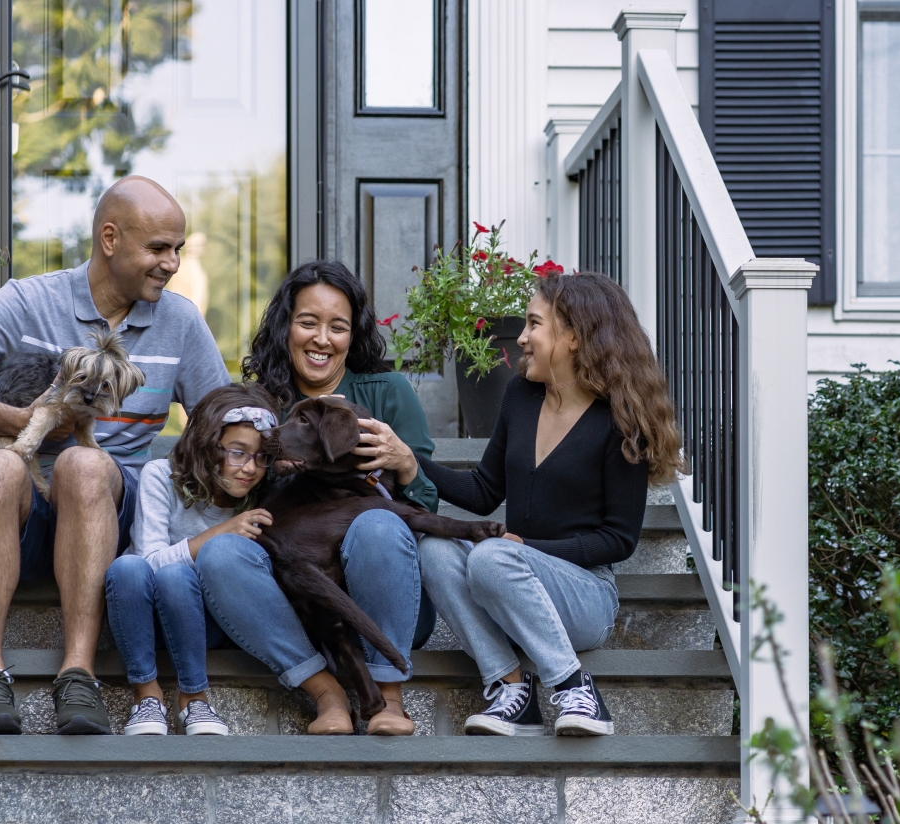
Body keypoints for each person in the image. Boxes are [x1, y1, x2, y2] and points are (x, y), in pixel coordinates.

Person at [0, 176, 231, 735]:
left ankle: (78, 675)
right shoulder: (30, 301)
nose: (171, 263)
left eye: (178, 249)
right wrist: (26, 421)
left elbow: (221, 424)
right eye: (157, 248)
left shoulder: (181, 322)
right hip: (17, 515)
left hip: (104, 508)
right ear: (109, 238)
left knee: (84, 465)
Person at [417, 272, 683, 736]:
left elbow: (618, 541)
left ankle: (573, 686)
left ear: (575, 336)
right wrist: (410, 465)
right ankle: (511, 690)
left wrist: (527, 550)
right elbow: (484, 491)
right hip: (509, 572)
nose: (521, 337)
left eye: (533, 324)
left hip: (585, 596)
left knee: (494, 557)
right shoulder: (521, 395)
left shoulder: (620, 421)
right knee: (434, 549)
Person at [195, 260, 435, 736]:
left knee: (379, 524)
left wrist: (406, 463)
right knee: (221, 553)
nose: (322, 339)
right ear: (287, 326)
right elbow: (226, 498)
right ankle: (327, 695)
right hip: (293, 601)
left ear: (353, 334)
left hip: (382, 594)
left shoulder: (387, 393)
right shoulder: (256, 403)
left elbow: (425, 511)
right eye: (308, 322)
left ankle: (387, 698)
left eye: (338, 327)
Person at [105, 383, 280, 736]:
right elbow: (149, 560)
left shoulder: (264, 498)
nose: (250, 468)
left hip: (210, 623)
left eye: (262, 456)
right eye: (237, 452)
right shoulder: (161, 476)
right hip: (141, 617)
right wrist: (219, 532)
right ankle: (147, 695)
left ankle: (194, 698)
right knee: (128, 566)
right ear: (207, 444)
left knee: (176, 577)